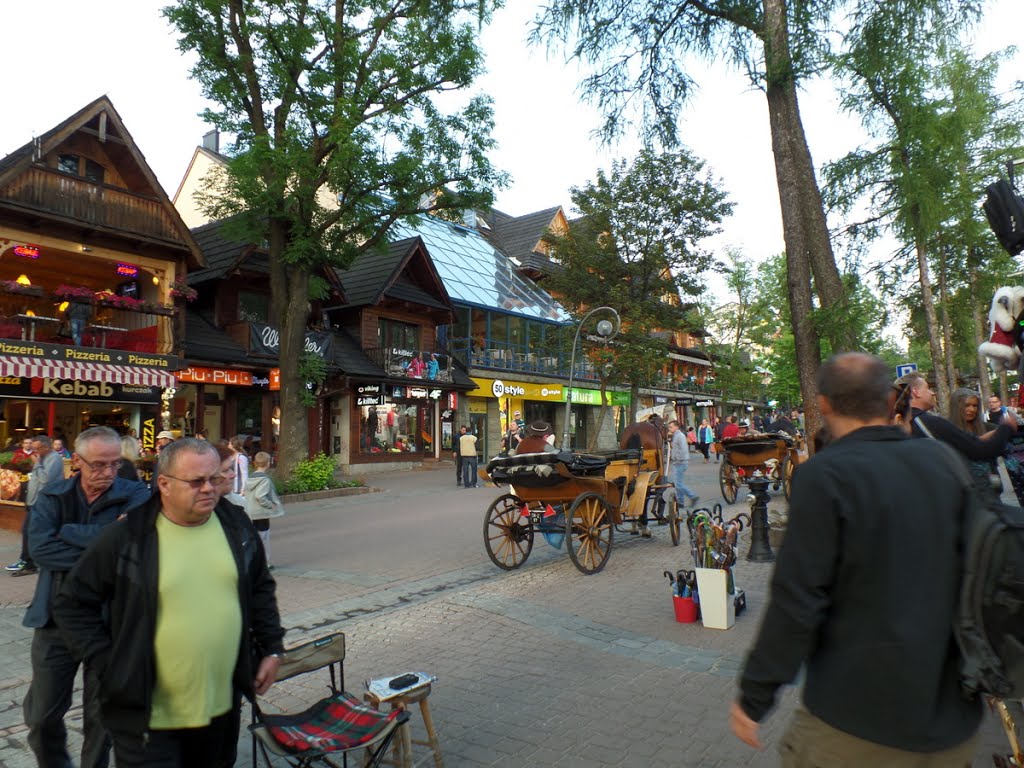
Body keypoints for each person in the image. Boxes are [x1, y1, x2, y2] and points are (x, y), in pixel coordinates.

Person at [731, 353, 983, 763]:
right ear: (888, 400)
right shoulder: (943, 462)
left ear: (825, 404)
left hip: (857, 721)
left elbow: (797, 603)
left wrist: (754, 696)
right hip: (951, 719)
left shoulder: (825, 476)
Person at [52, 438, 285, 767]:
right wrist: (108, 660)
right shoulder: (128, 537)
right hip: (150, 718)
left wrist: (271, 646)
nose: (208, 489)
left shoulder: (236, 524)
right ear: (164, 483)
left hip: (221, 709)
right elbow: (72, 604)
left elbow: (260, 587)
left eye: (215, 479)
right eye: (195, 481)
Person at [22, 426, 150, 768]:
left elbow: (132, 547)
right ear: (76, 460)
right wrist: (107, 547)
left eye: (113, 464)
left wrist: (69, 532)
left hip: (111, 623)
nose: (107, 472)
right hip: (54, 619)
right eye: (97, 464)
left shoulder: (137, 494)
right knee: (42, 716)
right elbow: (40, 551)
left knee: (103, 718)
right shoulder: (53, 495)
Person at [897, 372, 1015, 461]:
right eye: (927, 388)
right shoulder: (931, 423)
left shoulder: (897, 424)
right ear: (916, 392)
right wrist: (1006, 427)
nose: (932, 393)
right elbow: (979, 450)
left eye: (975, 406)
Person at [6, 435, 65, 577]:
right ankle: (27, 561)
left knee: (31, 532)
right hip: (34, 501)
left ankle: (30, 563)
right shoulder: (43, 458)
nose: (35, 451)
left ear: (46, 447)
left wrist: (37, 464)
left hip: (43, 503)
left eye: (38, 449)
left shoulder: (54, 459)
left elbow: (45, 479)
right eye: (34, 449)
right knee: (27, 531)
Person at [947, 387, 1003, 504]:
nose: (971, 409)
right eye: (967, 405)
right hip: (963, 491)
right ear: (956, 407)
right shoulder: (947, 430)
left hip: (990, 487)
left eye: (975, 406)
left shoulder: (988, 427)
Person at [244, 451, 285, 566]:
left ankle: (254, 560)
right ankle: (264, 563)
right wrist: (270, 505)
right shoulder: (265, 480)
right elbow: (260, 496)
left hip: (251, 511)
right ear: (268, 463)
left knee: (255, 536)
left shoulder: (249, 478)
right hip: (261, 512)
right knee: (264, 537)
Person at [666, 420, 699, 508]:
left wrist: (677, 459)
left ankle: (693, 496)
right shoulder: (675, 436)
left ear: (676, 427)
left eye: (671, 427)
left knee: (678, 484)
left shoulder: (679, 436)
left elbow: (684, 449)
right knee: (678, 482)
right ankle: (680, 501)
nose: (669, 429)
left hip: (680, 462)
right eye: (669, 427)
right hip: (678, 462)